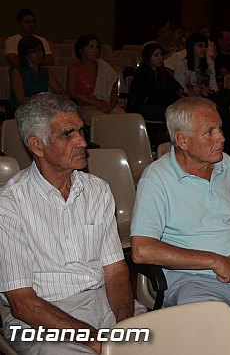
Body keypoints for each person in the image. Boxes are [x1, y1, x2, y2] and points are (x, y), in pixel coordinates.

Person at [130, 97, 230, 355]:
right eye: (210, 132)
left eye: (220, 128)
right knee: (216, 335)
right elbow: (142, 250)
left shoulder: (225, 164)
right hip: (193, 281)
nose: (221, 138)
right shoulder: (157, 179)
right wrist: (213, 261)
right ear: (182, 140)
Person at [0, 93, 134, 354]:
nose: (82, 142)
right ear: (37, 146)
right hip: (40, 317)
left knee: (159, 342)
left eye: (81, 131)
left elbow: (116, 271)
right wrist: (93, 338)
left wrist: (125, 323)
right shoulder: (9, 204)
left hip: (102, 302)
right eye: (67, 134)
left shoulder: (98, 190)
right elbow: (22, 303)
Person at [66, 34, 124, 125]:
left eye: (97, 47)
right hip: (86, 107)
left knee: (123, 118)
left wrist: (110, 106)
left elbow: (113, 92)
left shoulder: (104, 67)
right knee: (101, 120)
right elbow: (71, 91)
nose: (95, 50)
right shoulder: (74, 68)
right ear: (81, 50)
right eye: (91, 47)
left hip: (106, 105)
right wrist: (96, 103)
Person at [126, 42, 183, 122]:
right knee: (174, 113)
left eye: (161, 55)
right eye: (156, 56)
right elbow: (149, 96)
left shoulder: (163, 72)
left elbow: (175, 85)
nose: (160, 58)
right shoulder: (141, 74)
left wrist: (177, 91)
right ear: (148, 57)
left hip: (161, 105)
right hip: (145, 108)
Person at [10, 35, 66, 110]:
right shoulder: (17, 71)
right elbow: (21, 100)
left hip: (43, 109)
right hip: (23, 110)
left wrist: (60, 97)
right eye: (33, 52)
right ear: (25, 55)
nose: (38, 54)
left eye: (40, 50)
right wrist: (45, 102)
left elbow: (61, 92)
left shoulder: (44, 71)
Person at [172, 32, 218, 96]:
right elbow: (180, 92)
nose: (203, 49)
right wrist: (198, 92)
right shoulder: (181, 66)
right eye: (200, 45)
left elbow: (214, 86)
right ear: (191, 46)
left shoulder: (209, 63)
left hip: (207, 100)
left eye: (205, 46)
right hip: (188, 101)